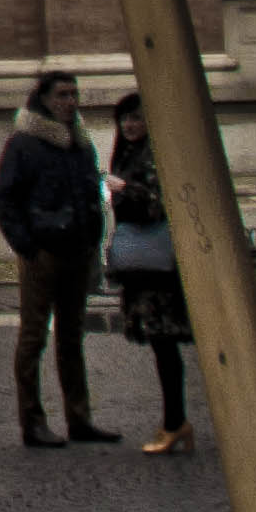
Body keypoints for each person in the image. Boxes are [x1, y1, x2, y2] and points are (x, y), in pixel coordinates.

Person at [0, 71, 114, 448]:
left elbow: (91, 188)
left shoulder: (80, 143)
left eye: (74, 94)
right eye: (63, 94)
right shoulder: (23, 144)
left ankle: (79, 418)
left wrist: (93, 235)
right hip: (42, 253)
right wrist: (26, 247)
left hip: (78, 250)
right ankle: (32, 421)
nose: (70, 101)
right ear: (44, 99)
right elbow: (5, 198)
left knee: (72, 338)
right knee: (33, 338)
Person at [103, 93, 193, 454]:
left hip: (160, 270)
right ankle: (174, 421)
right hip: (143, 267)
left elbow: (159, 203)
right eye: (125, 119)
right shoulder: (125, 154)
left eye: (136, 118)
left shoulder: (155, 154)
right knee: (161, 346)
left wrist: (124, 190)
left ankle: (175, 422)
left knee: (165, 344)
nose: (129, 125)